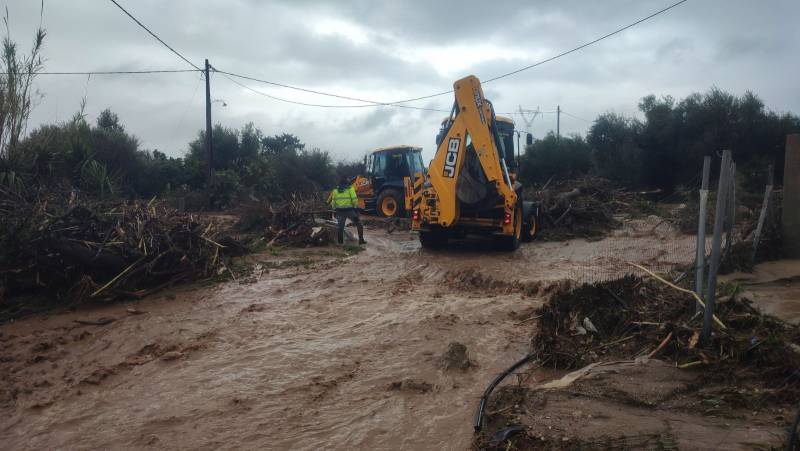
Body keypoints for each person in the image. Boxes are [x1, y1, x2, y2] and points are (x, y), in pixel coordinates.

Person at [330, 177, 366, 245]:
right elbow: (354, 200)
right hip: (350, 211)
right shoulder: (350, 189)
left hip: (340, 212)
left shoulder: (335, 191)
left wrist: (334, 210)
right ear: (347, 183)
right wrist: (355, 208)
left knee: (340, 227)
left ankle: (340, 243)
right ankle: (361, 240)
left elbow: (333, 202)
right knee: (359, 224)